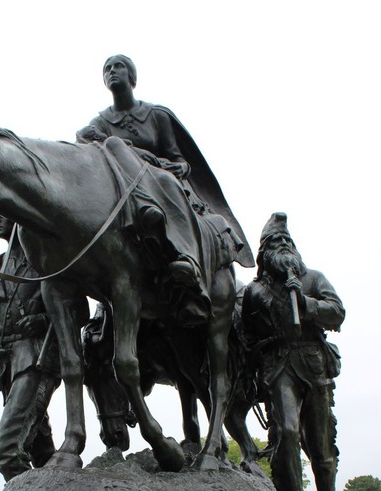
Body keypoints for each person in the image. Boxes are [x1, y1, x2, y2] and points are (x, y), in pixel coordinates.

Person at [77, 55, 254, 324]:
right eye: (107, 69)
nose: (112, 72)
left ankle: (188, 261)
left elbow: (177, 157)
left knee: (168, 185)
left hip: (161, 181)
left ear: (132, 76)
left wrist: (180, 166)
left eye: (118, 67)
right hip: (122, 191)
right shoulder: (100, 123)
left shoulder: (156, 115)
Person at [241, 212, 346, 491]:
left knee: (321, 442)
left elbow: (337, 312)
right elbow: (246, 334)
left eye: (287, 240)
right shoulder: (254, 291)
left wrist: (307, 303)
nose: (283, 246)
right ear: (265, 252)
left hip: (313, 363)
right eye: (276, 241)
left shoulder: (313, 278)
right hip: (278, 365)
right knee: (286, 431)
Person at [0, 216, 60, 481]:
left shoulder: (47, 263)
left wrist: (41, 320)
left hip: (37, 357)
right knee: (42, 452)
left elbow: (77, 310)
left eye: (5, 215)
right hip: (6, 365)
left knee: (7, 450)